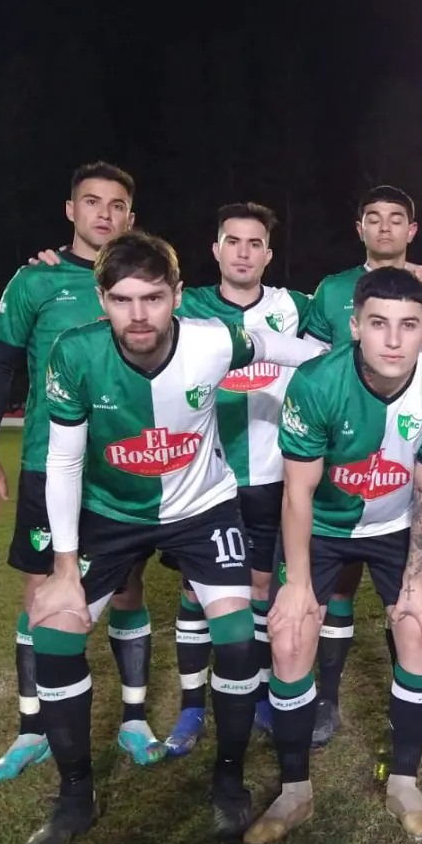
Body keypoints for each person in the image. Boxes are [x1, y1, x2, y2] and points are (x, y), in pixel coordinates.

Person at [24, 231, 320, 844]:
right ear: (101, 300)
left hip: (202, 507)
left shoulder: (212, 340)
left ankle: (229, 780)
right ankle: (76, 796)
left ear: (177, 296)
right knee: (53, 631)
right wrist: (64, 566)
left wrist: (344, 354)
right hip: (110, 513)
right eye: (122, 299)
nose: (139, 315)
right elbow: (65, 461)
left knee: (236, 639)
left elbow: (277, 346)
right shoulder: (74, 354)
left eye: (153, 298)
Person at [244, 267, 422, 844]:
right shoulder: (317, 382)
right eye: (378, 324)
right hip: (322, 526)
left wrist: (416, 579)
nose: (393, 340)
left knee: (421, 627)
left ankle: (404, 783)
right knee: (290, 635)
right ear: (355, 326)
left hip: (396, 526)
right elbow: (297, 492)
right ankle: (294, 791)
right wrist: (296, 583)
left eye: (408, 325)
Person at [0, 161, 164, 783]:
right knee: (39, 594)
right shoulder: (37, 279)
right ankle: (32, 730)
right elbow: (0, 364)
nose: (104, 213)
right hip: (45, 462)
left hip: (119, 469)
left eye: (116, 204)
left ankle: (134, 719)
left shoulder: (142, 280)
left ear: (131, 217)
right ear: (71, 210)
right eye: (92, 201)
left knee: (128, 587)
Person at [163, 202, 312, 756]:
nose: (243, 253)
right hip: (203, 481)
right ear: (216, 248)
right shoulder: (189, 305)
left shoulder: (296, 307)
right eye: (233, 241)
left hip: (273, 477)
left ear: (268, 254)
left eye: (255, 244)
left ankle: (260, 694)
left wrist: (412, 272)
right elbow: (120, 297)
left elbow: (358, 311)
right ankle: (191, 707)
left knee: (262, 590)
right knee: (195, 591)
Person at [300, 185, 422, 746]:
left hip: (403, 465)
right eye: (374, 218)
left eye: (396, 219)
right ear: (359, 227)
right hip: (341, 463)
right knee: (338, 587)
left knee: (406, 596)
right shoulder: (332, 290)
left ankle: (403, 703)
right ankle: (327, 699)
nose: (385, 228)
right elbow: (309, 360)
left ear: (412, 230)